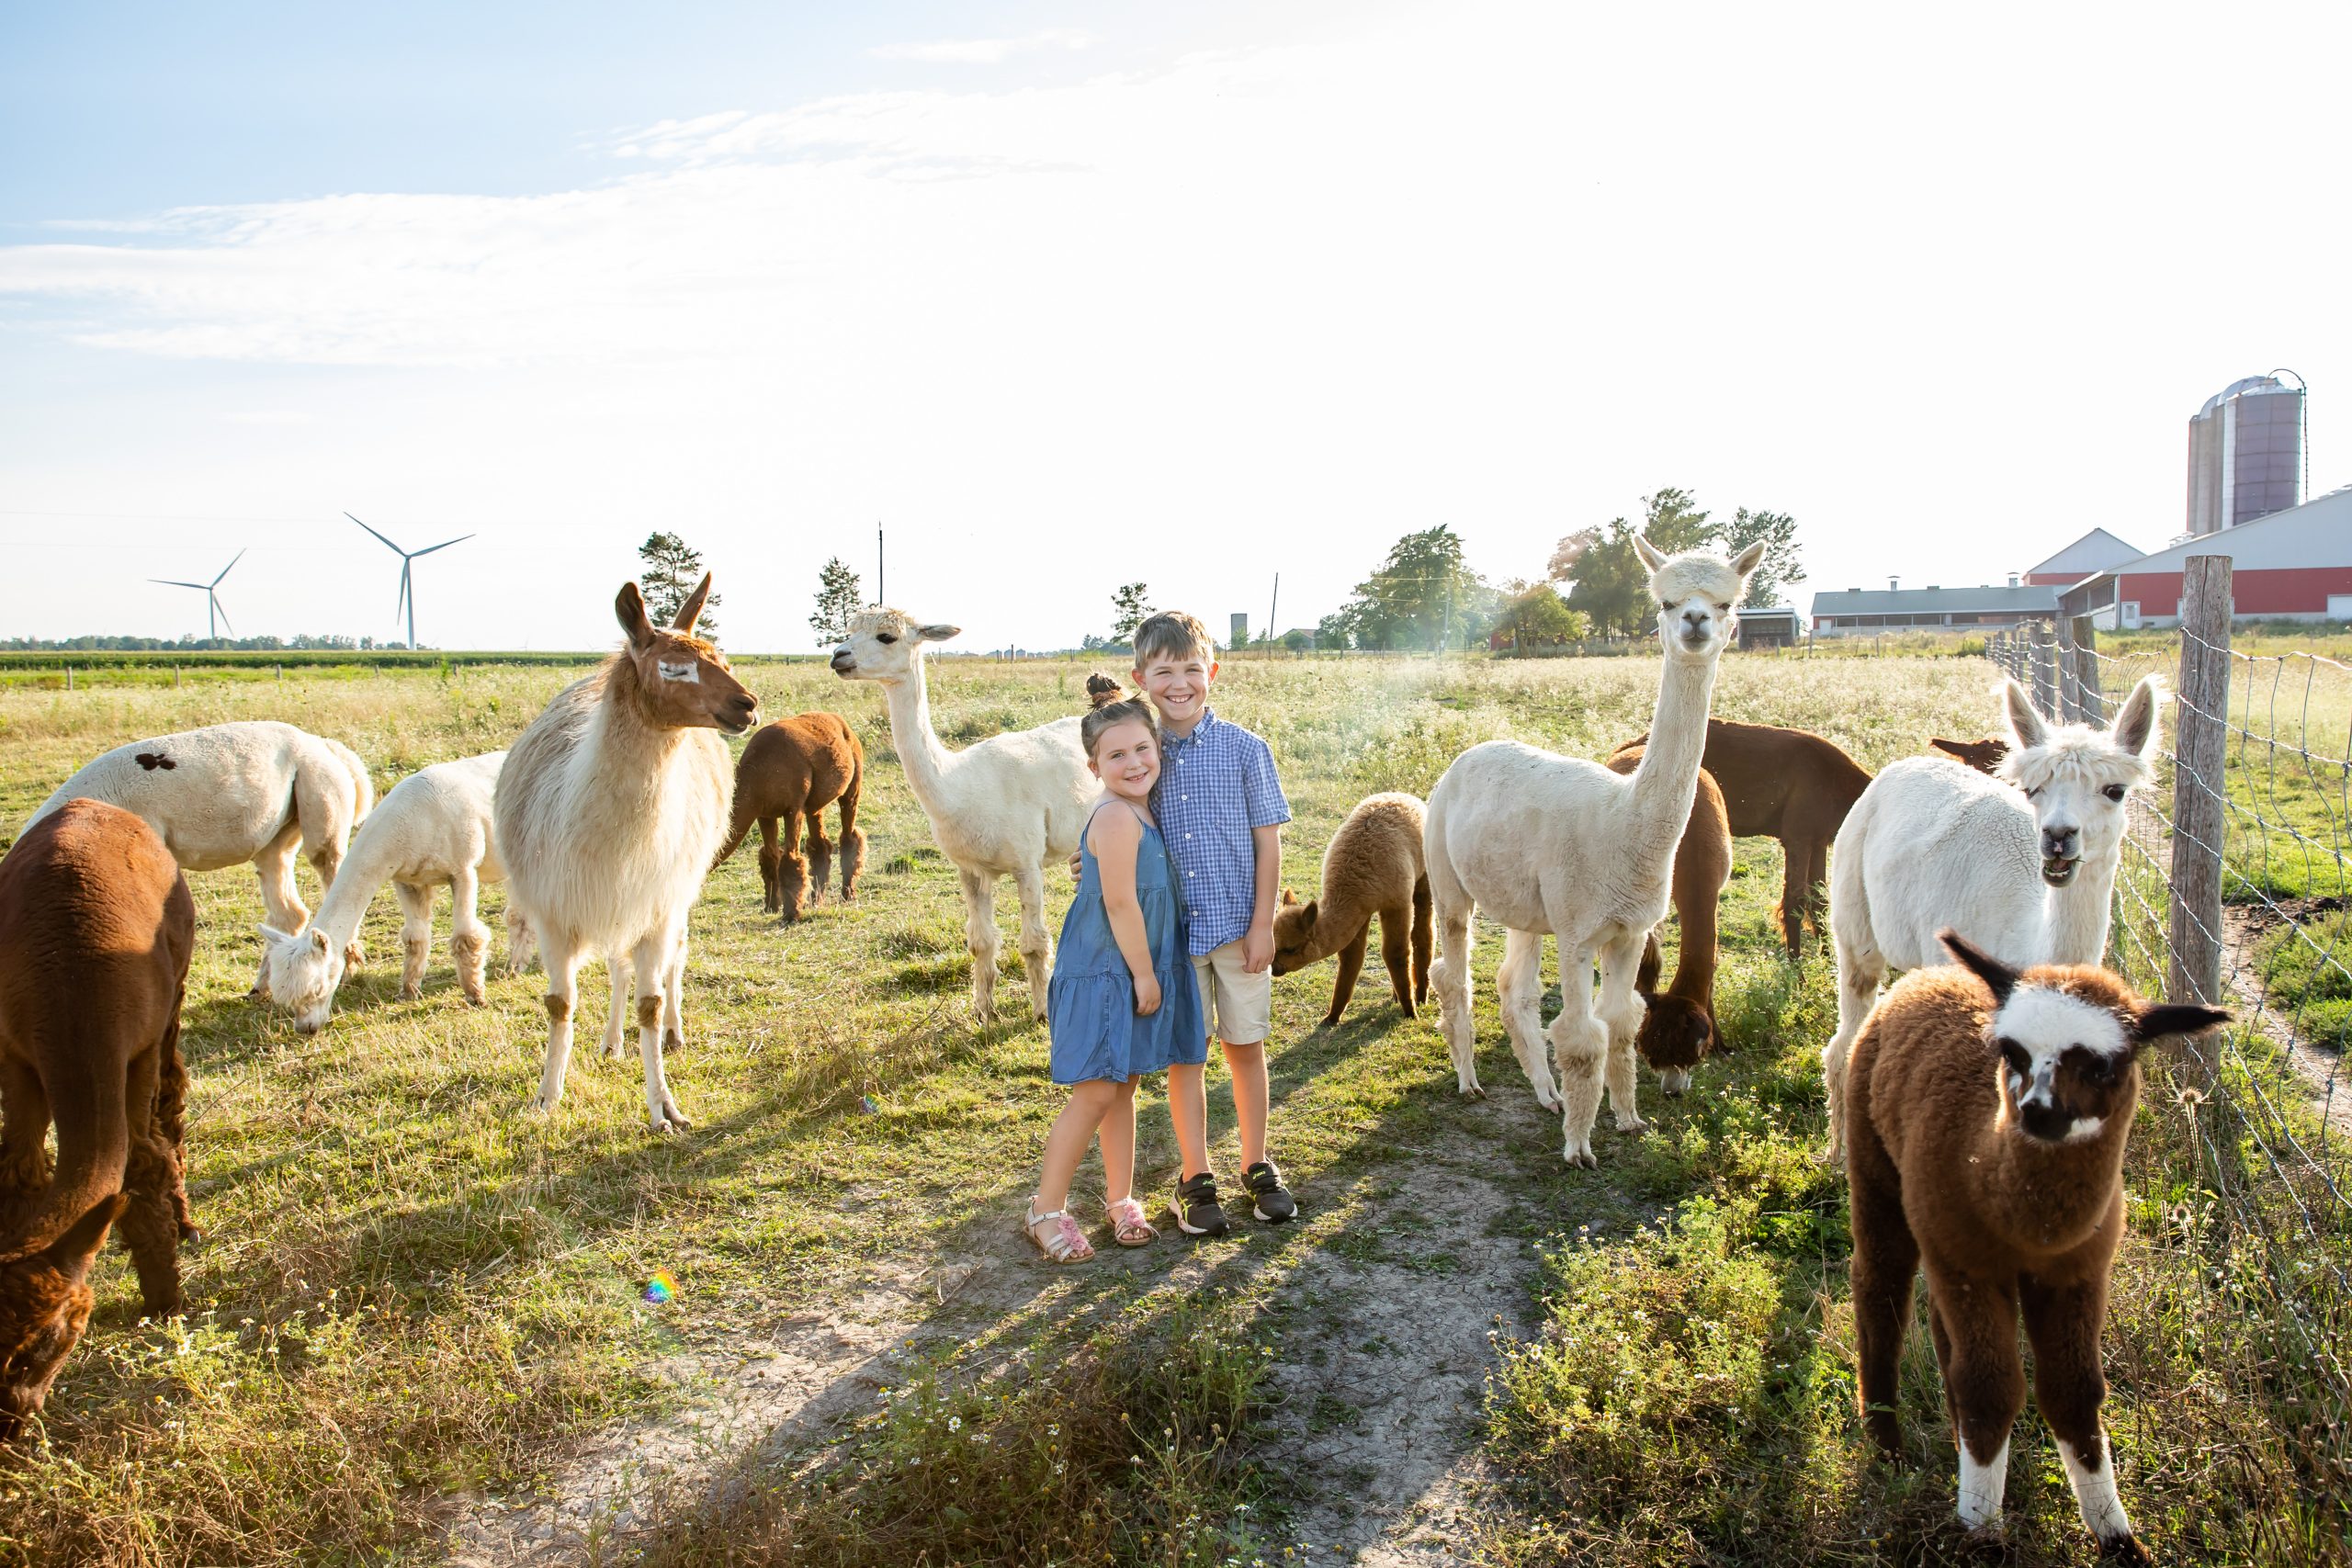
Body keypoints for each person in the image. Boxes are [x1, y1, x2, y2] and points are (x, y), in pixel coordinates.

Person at [1128, 611, 1296, 1235]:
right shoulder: (1139, 754)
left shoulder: (1247, 750)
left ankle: (1256, 1162)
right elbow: (1116, 825)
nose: (1180, 683)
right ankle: (1194, 1176)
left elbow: (1268, 844)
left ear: (1213, 673)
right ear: (1141, 676)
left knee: (1245, 1045)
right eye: (1165, 671)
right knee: (1187, 1056)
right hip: (1172, 938)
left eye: (1192, 669)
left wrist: (1264, 924)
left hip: (1238, 928)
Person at [1028, 697, 1205, 1262]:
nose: (1133, 763)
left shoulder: (1145, 809)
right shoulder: (1114, 815)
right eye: (1116, 755)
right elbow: (1122, 903)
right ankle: (1045, 1209)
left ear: (1159, 750)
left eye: (1143, 749)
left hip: (1126, 966)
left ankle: (1119, 1197)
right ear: (1093, 766)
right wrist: (1146, 976)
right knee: (1097, 1091)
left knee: (1123, 1085)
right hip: (1109, 969)